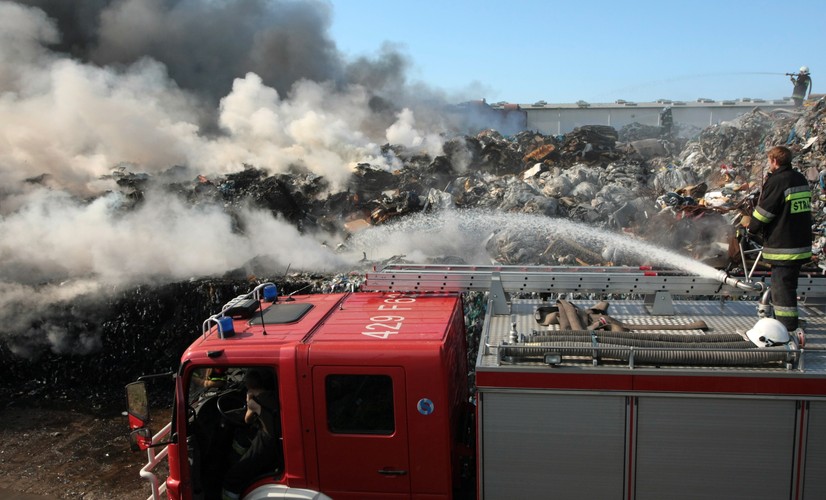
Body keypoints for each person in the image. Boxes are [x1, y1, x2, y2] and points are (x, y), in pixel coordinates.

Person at [748, 146, 813, 333]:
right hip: (800, 242)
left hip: (784, 245)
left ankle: (787, 328)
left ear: (774, 161)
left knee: (782, 289)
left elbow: (765, 213)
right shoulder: (799, 178)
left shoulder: (778, 181)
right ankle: (786, 323)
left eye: (769, 160)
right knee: (789, 286)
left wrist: (751, 228)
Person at [221, 368, 282, 500]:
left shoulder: (255, 402)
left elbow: (247, 420)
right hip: (278, 441)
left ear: (248, 386)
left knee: (233, 477)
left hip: (266, 442)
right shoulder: (274, 395)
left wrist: (249, 400)